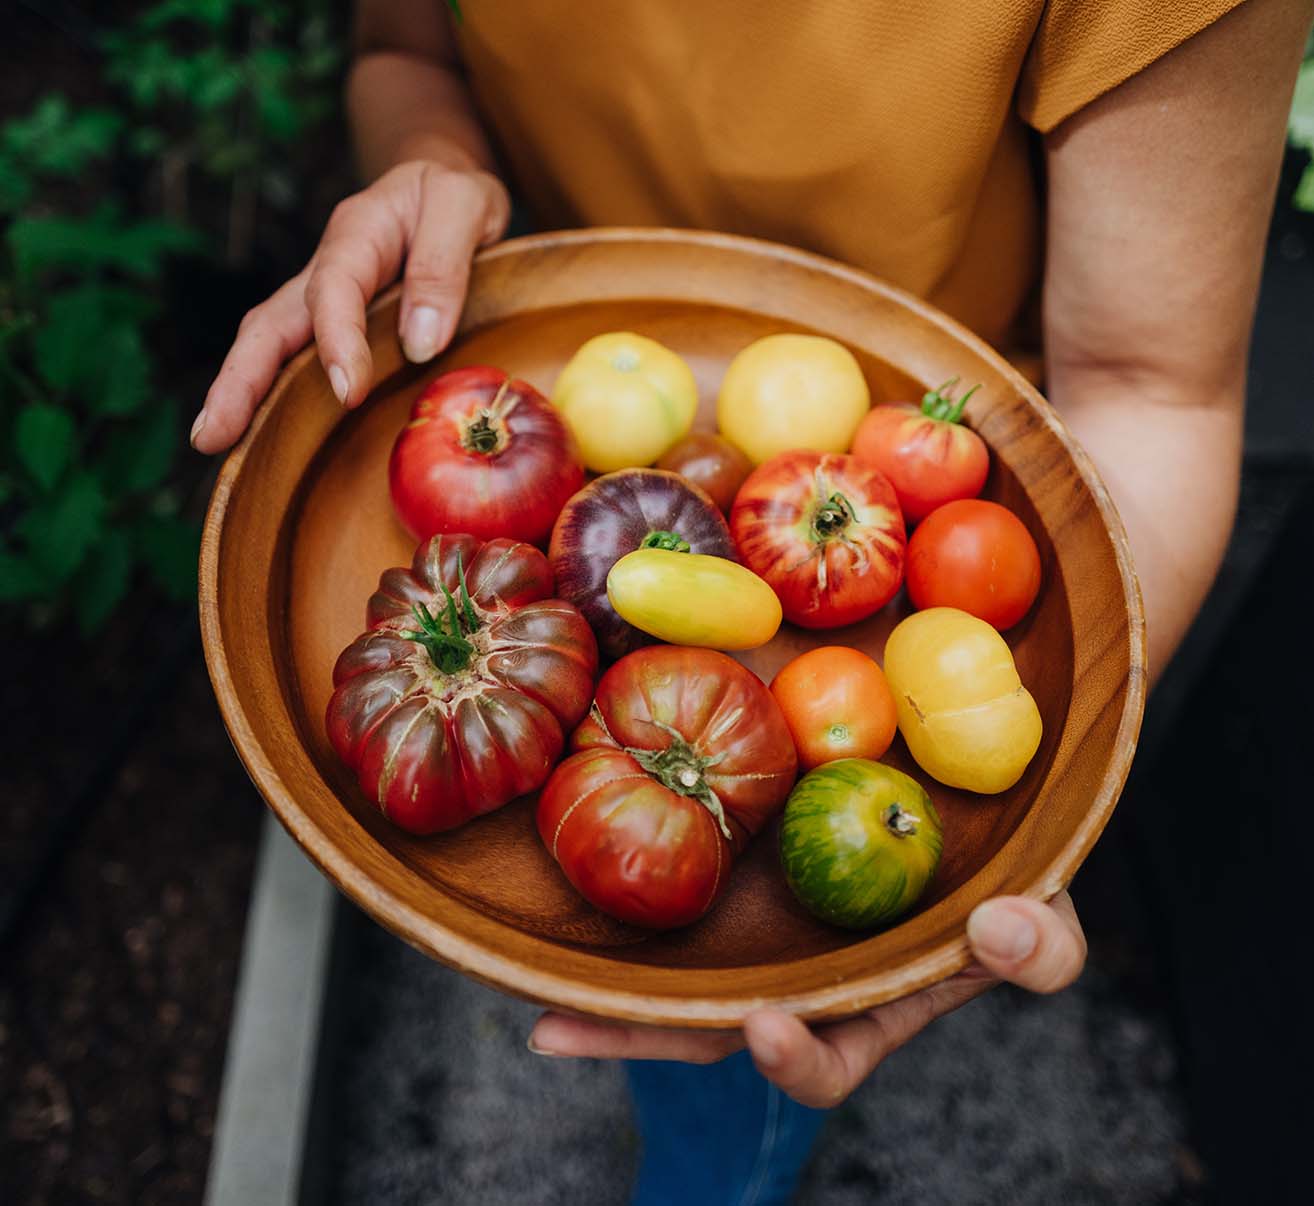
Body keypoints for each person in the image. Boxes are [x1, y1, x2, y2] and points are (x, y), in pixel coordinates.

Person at [192, 2, 1312, 1201]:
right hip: (552, 361)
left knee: (740, 1075)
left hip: (927, 454)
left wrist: (1064, 798)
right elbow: (402, 52)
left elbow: (1154, 387)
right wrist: (438, 166)